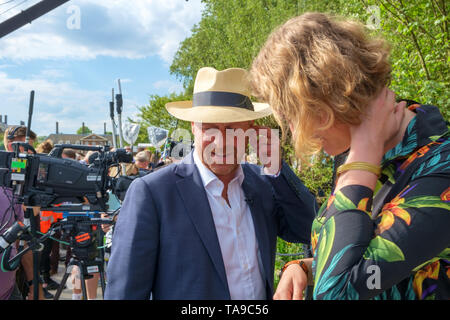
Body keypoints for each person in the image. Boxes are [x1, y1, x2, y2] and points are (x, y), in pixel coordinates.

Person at [250, 12, 450, 300]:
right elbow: (369, 266)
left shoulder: (438, 169)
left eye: (291, 115)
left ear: (324, 99)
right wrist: (303, 268)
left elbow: (338, 293)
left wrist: (363, 153)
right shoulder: (364, 159)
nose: (293, 131)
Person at [105, 67, 317, 300]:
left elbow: (309, 228)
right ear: (194, 127)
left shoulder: (264, 182)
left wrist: (277, 167)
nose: (222, 141)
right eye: (210, 128)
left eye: (232, 128)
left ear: (251, 129)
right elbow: (125, 293)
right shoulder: (153, 193)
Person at [0, 126, 44, 300]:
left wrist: (34, 282)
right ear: (12, 147)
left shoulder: (17, 191)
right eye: (28, 149)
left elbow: (22, 241)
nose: (32, 155)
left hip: (9, 288)